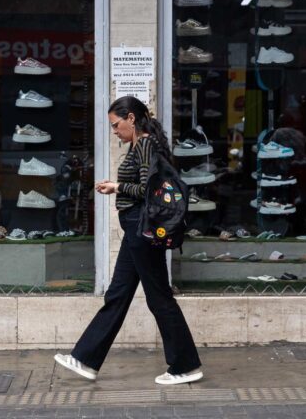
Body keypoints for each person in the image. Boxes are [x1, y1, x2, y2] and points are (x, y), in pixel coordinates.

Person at [54, 96, 203, 385]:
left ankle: (185, 365)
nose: (114, 130)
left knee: (159, 297)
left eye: (116, 124)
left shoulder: (145, 143)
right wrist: (118, 186)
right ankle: (86, 359)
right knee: (118, 294)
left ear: (131, 119)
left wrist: (117, 186)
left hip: (140, 229)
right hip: (135, 231)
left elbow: (147, 188)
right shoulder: (139, 144)